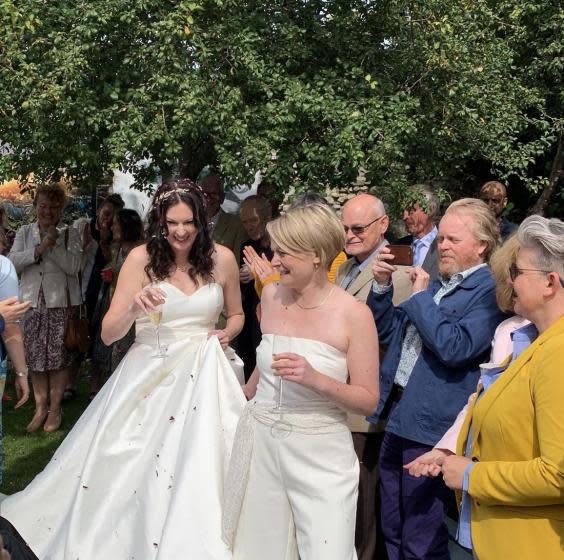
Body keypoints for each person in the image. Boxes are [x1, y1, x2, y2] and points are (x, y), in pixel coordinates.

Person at [1, 178, 246, 559]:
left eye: (189, 223)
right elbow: (109, 333)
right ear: (159, 223)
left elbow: (237, 314)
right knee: (134, 466)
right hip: (151, 377)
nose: (181, 232)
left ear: (202, 221)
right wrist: (133, 307)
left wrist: (226, 333)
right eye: (172, 223)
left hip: (206, 376)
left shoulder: (223, 258)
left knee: (205, 465)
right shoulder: (142, 259)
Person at [224, 204, 380, 560]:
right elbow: (267, 361)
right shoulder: (272, 297)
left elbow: (369, 400)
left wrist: (316, 379)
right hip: (263, 447)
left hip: (321, 452)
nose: (274, 262)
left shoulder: (354, 314)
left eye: (283, 253)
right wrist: (241, 392)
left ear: (316, 256)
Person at [366, 198, 505, 560]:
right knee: (393, 526)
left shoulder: (489, 291)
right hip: (399, 415)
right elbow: (389, 335)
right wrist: (381, 289)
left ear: (482, 245)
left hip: (431, 428)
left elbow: (456, 347)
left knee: (421, 536)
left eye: (453, 240)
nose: (442, 245)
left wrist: (421, 299)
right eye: (441, 238)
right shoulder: (442, 285)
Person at [436, 215, 564, 559]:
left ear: (550, 282)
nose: (509, 280)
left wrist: (472, 475)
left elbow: (559, 474)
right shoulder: (535, 343)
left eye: (517, 272)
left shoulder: (558, 352)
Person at [337, 192, 410, 560]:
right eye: (345, 228)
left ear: (383, 226)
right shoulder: (346, 268)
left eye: (358, 228)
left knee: (365, 501)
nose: (349, 235)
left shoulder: (396, 272)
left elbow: (386, 339)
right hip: (339, 394)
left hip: (368, 404)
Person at [8, 182, 82, 433]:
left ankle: (55, 409)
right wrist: (39, 248)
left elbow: (74, 267)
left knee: (58, 361)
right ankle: (40, 408)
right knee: (36, 360)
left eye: (53, 206)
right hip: (31, 304)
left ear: (61, 208)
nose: (47, 211)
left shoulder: (71, 233)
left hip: (59, 304)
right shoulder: (25, 232)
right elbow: (12, 263)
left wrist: (53, 245)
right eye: (43, 206)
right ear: (35, 206)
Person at [89, 209, 144, 398]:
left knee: (128, 349)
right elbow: (111, 264)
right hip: (114, 302)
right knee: (111, 347)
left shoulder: (141, 250)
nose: (112, 227)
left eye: (116, 224)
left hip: (135, 309)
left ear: (127, 226)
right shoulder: (118, 248)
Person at [238, 195, 273, 379]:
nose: (249, 226)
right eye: (245, 222)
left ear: (267, 216)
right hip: (250, 316)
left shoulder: (280, 245)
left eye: (253, 220)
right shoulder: (246, 246)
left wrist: (259, 273)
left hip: (273, 315)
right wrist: (241, 276)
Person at [199, 174, 248, 266]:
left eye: (213, 194)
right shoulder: (190, 222)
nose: (208, 198)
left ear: (222, 197)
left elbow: (236, 264)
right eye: (205, 194)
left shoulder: (236, 225)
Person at [396, 183, 440, 280]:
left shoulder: (445, 246)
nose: (404, 217)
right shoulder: (399, 246)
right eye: (402, 211)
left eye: (411, 211)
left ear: (430, 210)